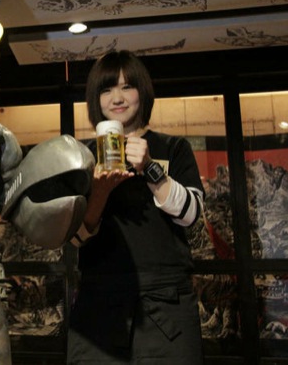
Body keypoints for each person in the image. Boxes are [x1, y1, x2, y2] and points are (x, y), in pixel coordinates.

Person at [68, 50, 205, 364]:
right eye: (106, 89)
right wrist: (100, 193)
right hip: (99, 303)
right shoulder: (81, 157)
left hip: (165, 303)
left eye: (127, 86)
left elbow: (191, 214)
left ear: (142, 92)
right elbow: (75, 238)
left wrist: (150, 168)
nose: (117, 98)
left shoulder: (173, 148)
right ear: (95, 99)